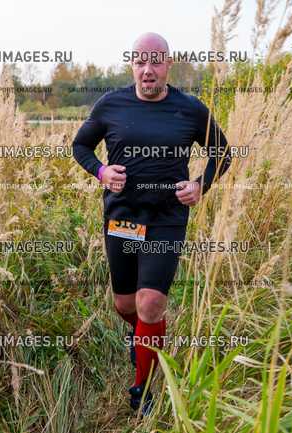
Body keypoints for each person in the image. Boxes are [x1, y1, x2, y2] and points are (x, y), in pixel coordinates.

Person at [72, 32, 231, 414]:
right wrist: (101, 171)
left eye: (155, 62)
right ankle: (142, 334)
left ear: (168, 65)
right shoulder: (111, 105)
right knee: (125, 303)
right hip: (123, 216)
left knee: (151, 303)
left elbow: (222, 152)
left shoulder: (190, 109)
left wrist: (200, 185)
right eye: (140, 62)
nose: (148, 70)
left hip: (166, 218)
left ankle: (142, 391)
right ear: (132, 65)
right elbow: (80, 146)